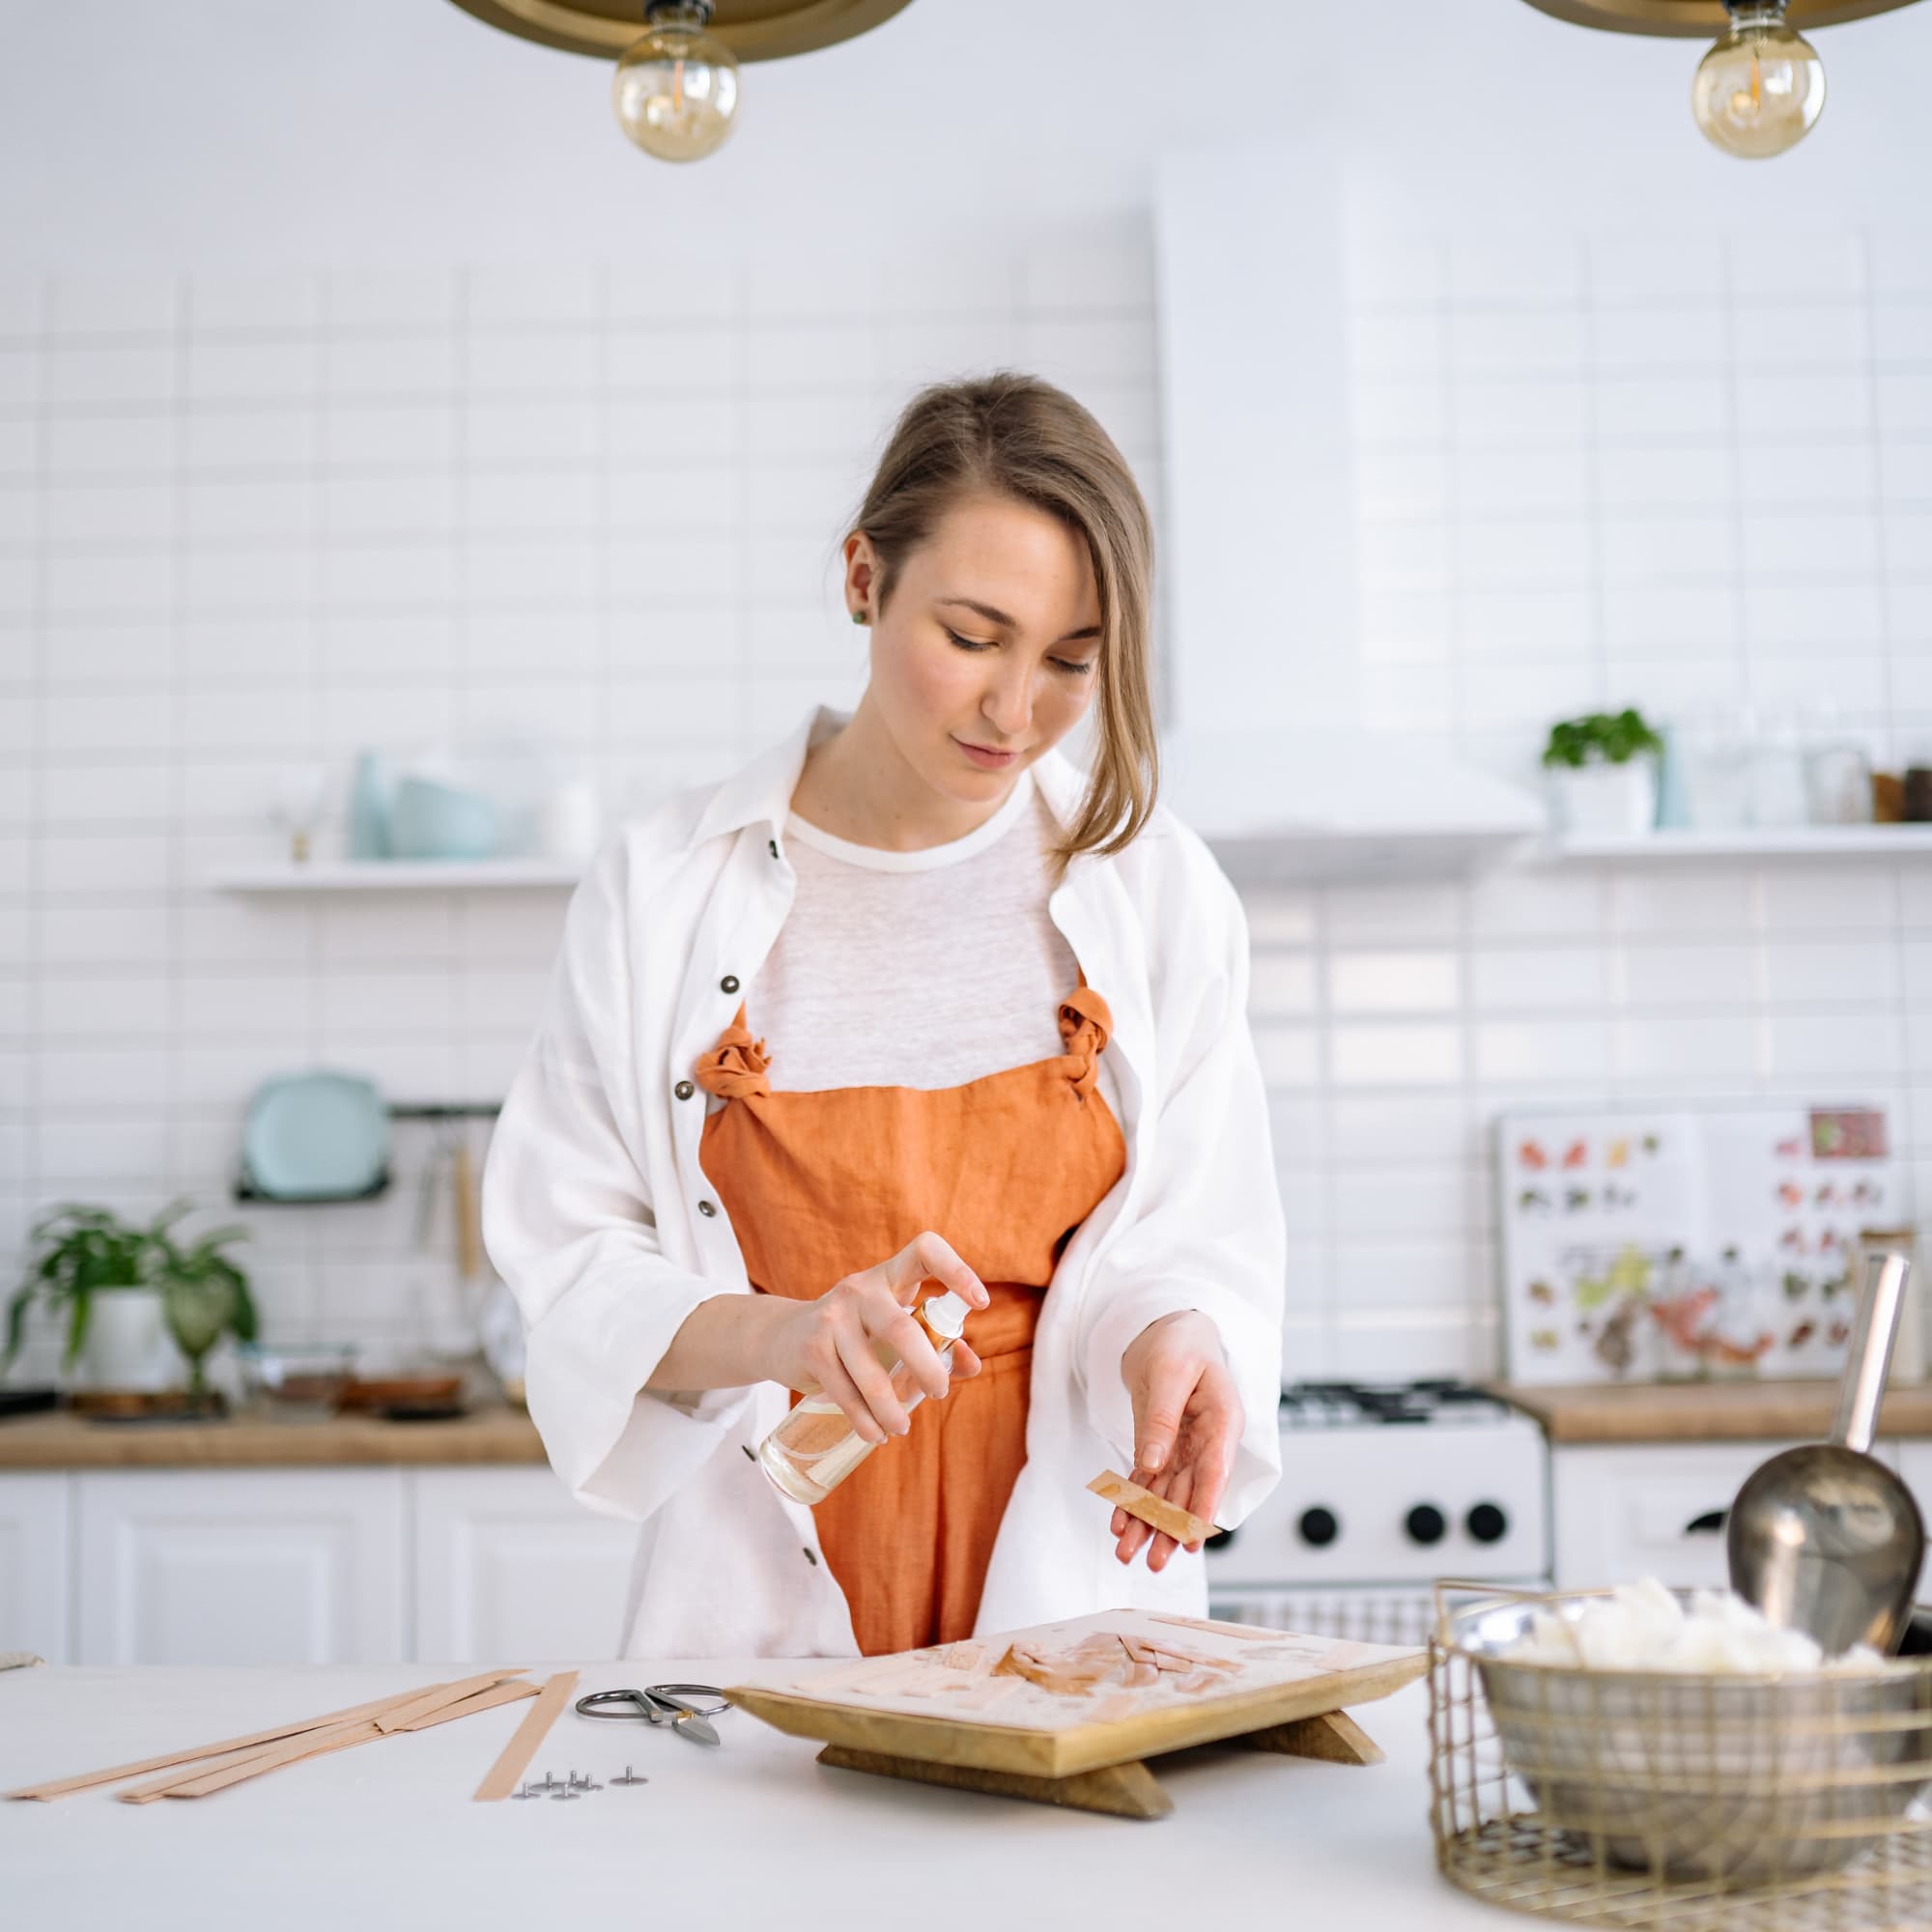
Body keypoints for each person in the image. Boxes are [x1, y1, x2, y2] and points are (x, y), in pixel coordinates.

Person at [480, 372, 1285, 1660]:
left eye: (1073, 661)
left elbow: (1194, 1231)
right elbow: (575, 1265)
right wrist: (792, 1336)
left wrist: (1174, 1335)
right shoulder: (666, 885)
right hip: (751, 1605)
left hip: (1070, 1604)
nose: (1016, 713)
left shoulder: (1154, 886)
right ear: (864, 579)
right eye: (973, 638)